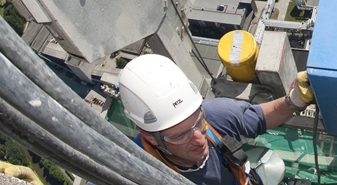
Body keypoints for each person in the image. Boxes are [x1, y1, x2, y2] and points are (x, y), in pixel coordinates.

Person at [118, 54, 314, 185]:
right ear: (151, 138)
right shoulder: (135, 170)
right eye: (180, 136)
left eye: (198, 122)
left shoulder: (213, 115)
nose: (199, 139)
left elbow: (260, 117)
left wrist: (295, 100)